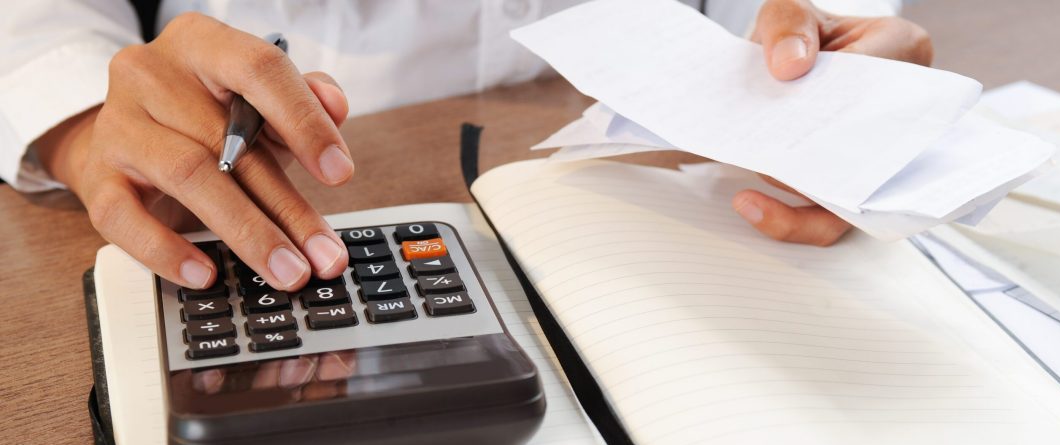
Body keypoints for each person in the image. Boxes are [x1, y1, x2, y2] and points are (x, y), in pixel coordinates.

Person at [0, 0, 930, 292]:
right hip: (274, 160)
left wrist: (831, 63)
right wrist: (89, 127)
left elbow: (792, 15)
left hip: (651, 192)